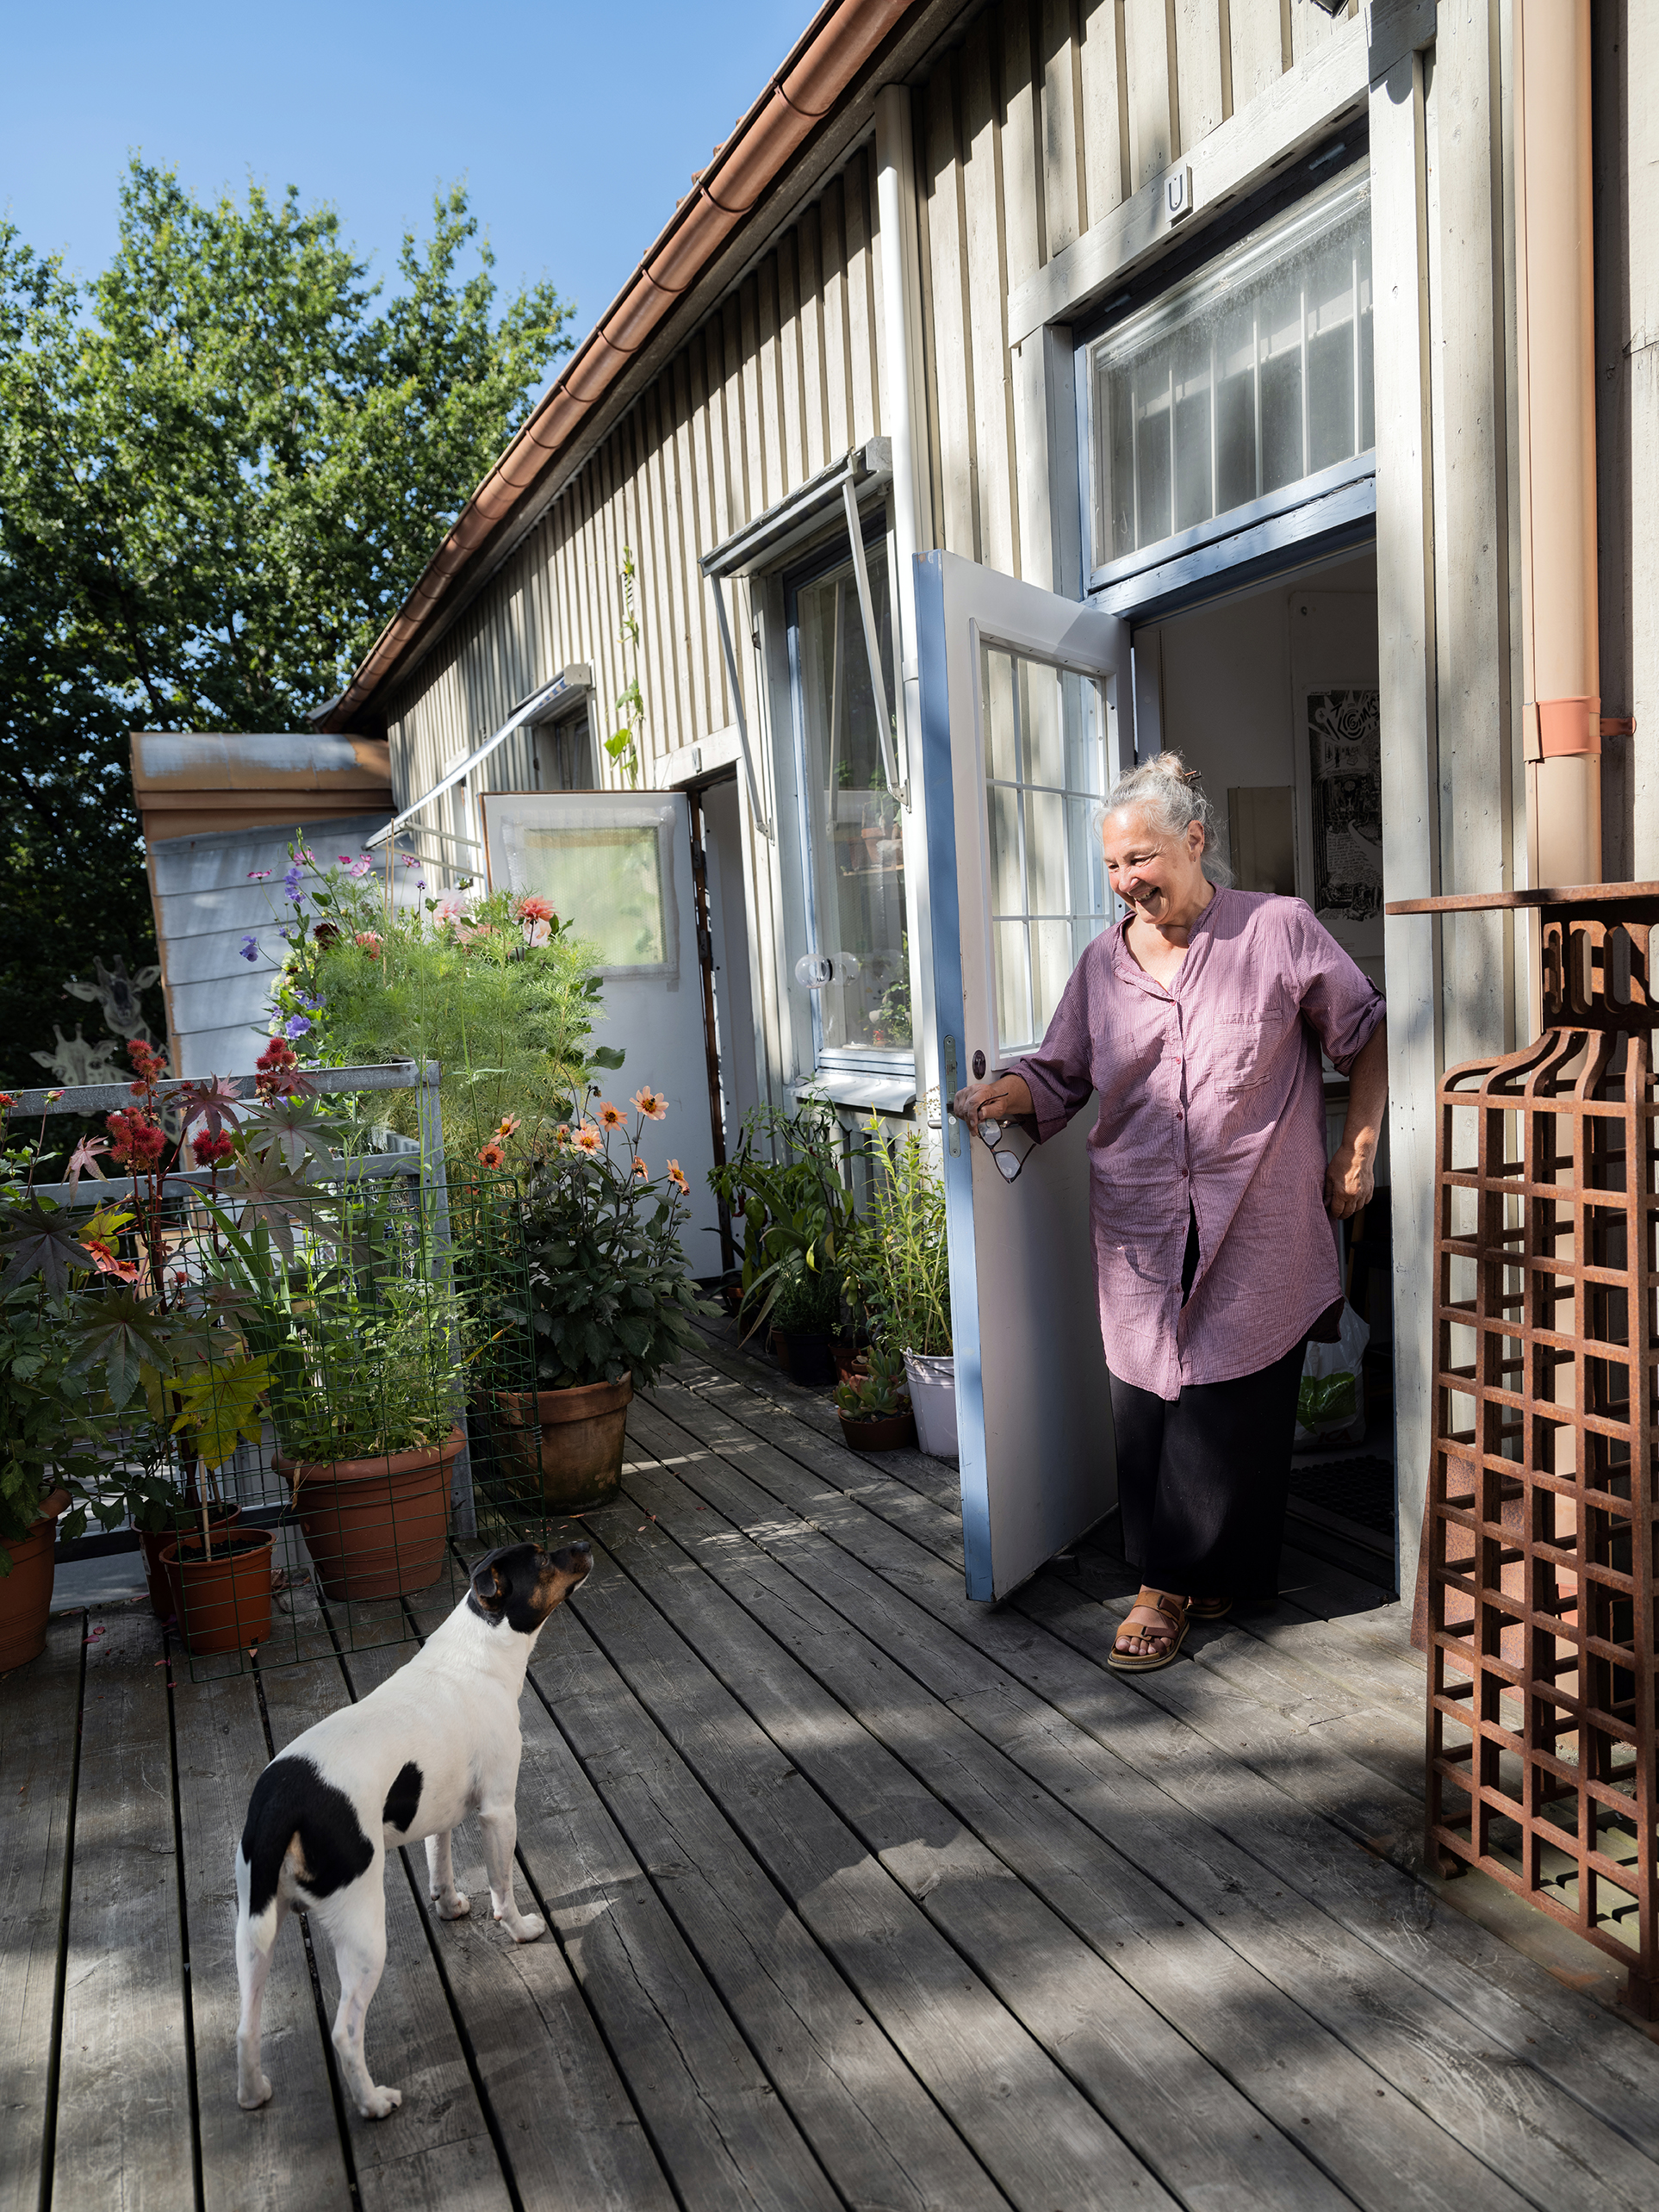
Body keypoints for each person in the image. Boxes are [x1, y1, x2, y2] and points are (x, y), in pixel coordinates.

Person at [951, 751, 1387, 1671]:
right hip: (1144, 1222)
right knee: (1152, 1403)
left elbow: (1366, 1029)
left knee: (1240, 1409)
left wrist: (1358, 1148)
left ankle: (1198, 1581)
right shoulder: (1103, 967)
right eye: (1111, 866)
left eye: (1140, 859)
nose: (1125, 882)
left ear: (1195, 842)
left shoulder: (1279, 930)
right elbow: (1062, 1073)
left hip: (1258, 1217)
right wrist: (1008, 1096)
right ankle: (1165, 1583)